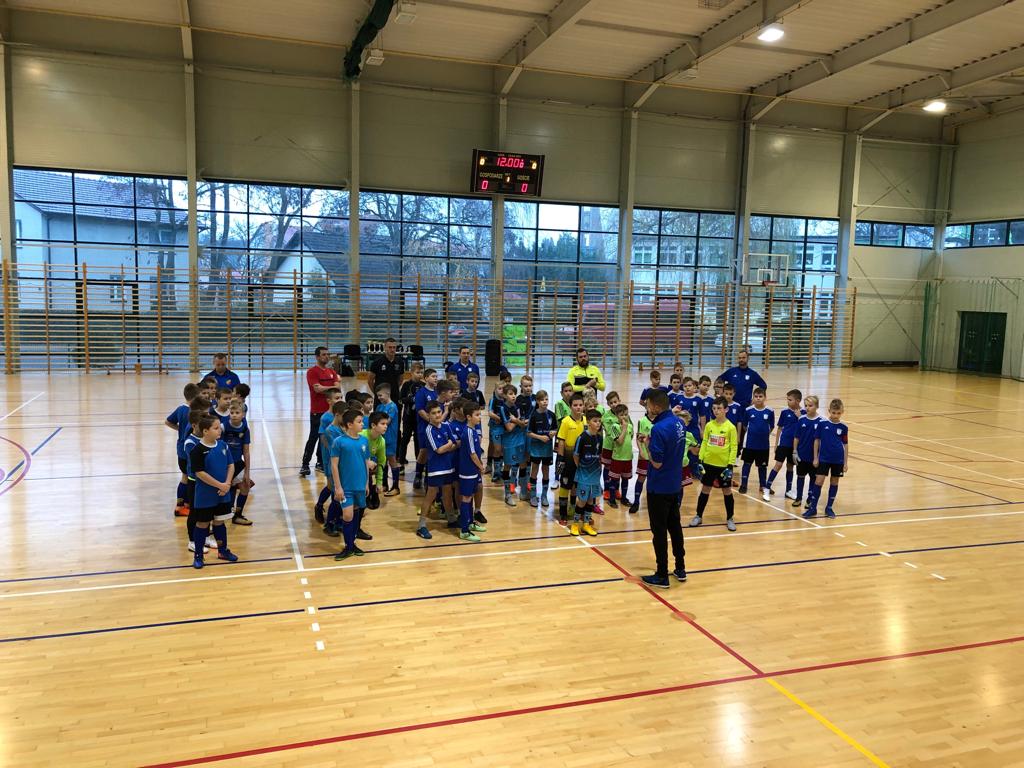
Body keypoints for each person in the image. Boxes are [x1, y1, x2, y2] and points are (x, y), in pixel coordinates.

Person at [640, 390, 689, 589]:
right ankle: (680, 568)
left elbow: (657, 463)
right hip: (674, 484)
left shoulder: (658, 429)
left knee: (659, 532)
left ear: (656, 406)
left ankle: (662, 574)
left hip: (659, 487)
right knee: (675, 527)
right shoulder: (679, 423)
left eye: (648, 405)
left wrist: (647, 447)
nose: (647, 408)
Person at [188, 414, 238, 569]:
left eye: (219, 427)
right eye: (215, 428)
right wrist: (220, 485)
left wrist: (227, 484)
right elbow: (200, 473)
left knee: (220, 522)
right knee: (202, 524)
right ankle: (198, 555)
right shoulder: (197, 450)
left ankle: (223, 551)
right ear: (205, 431)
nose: (219, 430)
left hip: (222, 493)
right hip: (205, 496)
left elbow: (231, 465)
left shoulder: (223, 445)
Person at [690, 397, 739, 531]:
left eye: (719, 408)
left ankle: (730, 518)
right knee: (705, 490)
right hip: (708, 464)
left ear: (726, 410)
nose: (716, 411)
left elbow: (733, 447)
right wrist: (700, 460)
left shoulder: (731, 427)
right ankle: (698, 516)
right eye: (714, 408)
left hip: (724, 466)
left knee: (727, 491)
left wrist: (730, 465)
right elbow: (705, 442)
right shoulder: (709, 425)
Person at [330, 409, 373, 560]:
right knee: (347, 515)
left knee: (355, 515)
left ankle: (351, 544)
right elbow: (334, 465)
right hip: (346, 488)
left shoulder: (364, 441)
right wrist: (338, 487)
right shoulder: (339, 442)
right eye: (359, 422)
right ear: (349, 424)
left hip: (360, 486)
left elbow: (366, 463)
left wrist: (366, 483)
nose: (362, 424)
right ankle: (348, 547)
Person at [301, 346, 342, 477]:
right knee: (313, 437)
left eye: (327, 354)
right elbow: (317, 389)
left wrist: (327, 387)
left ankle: (320, 462)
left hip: (330, 412)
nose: (326, 357)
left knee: (325, 437)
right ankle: (305, 464)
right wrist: (332, 387)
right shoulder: (312, 372)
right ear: (317, 357)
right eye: (324, 354)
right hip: (317, 411)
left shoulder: (331, 372)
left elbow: (338, 388)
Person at [418, 401, 457, 540]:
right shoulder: (429, 430)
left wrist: (449, 445)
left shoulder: (446, 425)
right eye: (433, 413)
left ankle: (451, 519)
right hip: (436, 469)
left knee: (447, 493)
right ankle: (421, 525)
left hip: (448, 467)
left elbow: (455, 444)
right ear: (428, 415)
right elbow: (439, 450)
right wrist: (449, 444)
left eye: (439, 412)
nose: (437, 415)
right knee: (431, 496)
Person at [806, 398, 848, 519]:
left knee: (834, 482)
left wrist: (845, 463)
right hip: (824, 459)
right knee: (818, 481)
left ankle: (829, 508)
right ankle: (813, 508)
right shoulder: (822, 423)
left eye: (838, 413)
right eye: (833, 412)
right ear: (829, 411)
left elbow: (845, 445)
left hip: (838, 460)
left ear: (842, 412)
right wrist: (815, 457)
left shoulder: (843, 427)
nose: (835, 415)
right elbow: (816, 440)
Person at [165, 382, 201, 517]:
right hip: (188, 451)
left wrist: (179, 429)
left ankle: (185, 504)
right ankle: (180, 506)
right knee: (187, 477)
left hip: (180, 448)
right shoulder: (193, 412)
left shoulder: (180, 409)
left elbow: (168, 421)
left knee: (185, 476)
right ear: (196, 397)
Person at [457, 403, 488, 542]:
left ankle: (470, 523)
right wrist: (481, 467)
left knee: (470, 497)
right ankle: (464, 531)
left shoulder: (473, 430)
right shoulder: (468, 432)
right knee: (466, 498)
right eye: (477, 415)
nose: (479, 417)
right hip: (467, 471)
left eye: (479, 414)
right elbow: (473, 454)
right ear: (468, 417)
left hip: (473, 470)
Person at [765, 389, 803, 501]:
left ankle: (788, 491)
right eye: (787, 399)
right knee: (778, 465)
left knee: (790, 467)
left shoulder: (803, 413)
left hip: (795, 446)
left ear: (798, 401)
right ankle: (767, 488)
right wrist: (776, 444)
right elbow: (779, 428)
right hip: (784, 444)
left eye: (790, 400)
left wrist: (800, 417)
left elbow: (804, 428)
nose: (788, 401)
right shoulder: (784, 412)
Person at [569, 410, 603, 536]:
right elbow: (576, 455)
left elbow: (599, 455)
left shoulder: (599, 438)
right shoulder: (582, 438)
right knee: (582, 501)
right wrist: (582, 468)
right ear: (588, 422)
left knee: (590, 501)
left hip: (595, 475)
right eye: (595, 421)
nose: (598, 423)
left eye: (599, 421)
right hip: (584, 476)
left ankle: (586, 524)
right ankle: (575, 524)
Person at [555, 392, 586, 526]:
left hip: (582, 459)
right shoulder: (566, 421)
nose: (578, 407)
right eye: (575, 405)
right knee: (565, 485)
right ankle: (562, 513)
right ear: (570, 406)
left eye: (580, 405)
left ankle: (573, 507)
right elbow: (561, 441)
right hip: (567, 459)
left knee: (576, 484)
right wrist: (561, 458)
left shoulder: (586, 421)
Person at [739, 387, 775, 498]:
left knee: (762, 466)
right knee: (747, 464)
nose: (758, 398)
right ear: (753, 398)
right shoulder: (748, 410)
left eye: (760, 396)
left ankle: (763, 485)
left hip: (763, 445)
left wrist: (763, 434)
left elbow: (771, 426)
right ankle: (744, 485)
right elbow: (745, 426)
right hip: (750, 444)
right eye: (756, 396)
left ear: (765, 397)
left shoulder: (770, 411)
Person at [223, 401, 253, 526]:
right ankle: (220, 516)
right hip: (224, 464)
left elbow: (246, 452)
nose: (234, 415)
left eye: (237, 412)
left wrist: (247, 472)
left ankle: (238, 515)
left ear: (243, 415)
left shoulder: (245, 429)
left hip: (237, 463)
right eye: (232, 412)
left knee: (245, 487)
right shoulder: (223, 427)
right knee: (225, 490)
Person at [527, 390, 558, 508]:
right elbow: (528, 433)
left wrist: (553, 433)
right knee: (534, 469)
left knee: (546, 470)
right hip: (536, 448)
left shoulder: (551, 415)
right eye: (542, 400)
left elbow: (555, 429)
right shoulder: (534, 415)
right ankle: (533, 495)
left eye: (546, 399)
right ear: (537, 402)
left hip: (547, 449)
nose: (545, 402)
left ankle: (544, 496)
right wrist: (540, 437)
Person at [791, 395, 823, 508]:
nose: (807, 408)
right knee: (800, 476)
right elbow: (796, 437)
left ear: (817, 406)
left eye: (810, 405)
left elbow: (821, 440)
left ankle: (809, 499)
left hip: (814, 457)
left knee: (813, 478)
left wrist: (818, 457)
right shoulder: (801, 419)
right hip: (802, 455)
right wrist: (794, 451)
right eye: (806, 406)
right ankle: (798, 497)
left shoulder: (821, 421)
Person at [498, 384, 526, 507]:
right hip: (509, 441)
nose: (513, 396)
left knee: (523, 463)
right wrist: (517, 420)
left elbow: (523, 424)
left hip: (520, 439)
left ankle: (523, 491)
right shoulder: (503, 409)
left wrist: (516, 420)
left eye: (514, 393)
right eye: (510, 394)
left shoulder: (517, 407)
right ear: (504, 396)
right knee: (508, 466)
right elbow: (509, 428)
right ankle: (507, 494)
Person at [413, 368, 440, 490]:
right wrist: (431, 420)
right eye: (433, 376)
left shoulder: (437, 392)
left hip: (436, 427)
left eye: (436, 376)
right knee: (423, 451)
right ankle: (418, 475)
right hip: (424, 427)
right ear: (426, 378)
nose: (436, 378)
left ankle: (429, 477)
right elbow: (420, 410)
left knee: (433, 451)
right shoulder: (421, 393)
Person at [375, 384, 401, 496]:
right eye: (378, 396)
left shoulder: (392, 407)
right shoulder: (379, 407)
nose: (379, 398)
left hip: (390, 438)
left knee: (392, 461)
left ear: (388, 393)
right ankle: (384, 484)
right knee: (382, 461)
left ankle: (396, 487)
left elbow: (386, 422)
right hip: (380, 438)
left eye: (380, 395)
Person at [606, 403, 634, 509]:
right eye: (621, 415)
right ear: (617, 415)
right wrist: (624, 429)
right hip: (617, 458)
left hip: (628, 458)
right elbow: (620, 441)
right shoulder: (614, 427)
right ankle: (612, 499)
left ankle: (624, 498)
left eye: (626, 414)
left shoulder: (630, 426)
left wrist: (626, 428)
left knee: (625, 479)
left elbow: (630, 439)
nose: (624, 417)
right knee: (614, 480)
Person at [398, 362, 425, 469]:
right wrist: (411, 399)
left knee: (418, 440)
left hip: (419, 418)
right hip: (408, 417)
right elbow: (401, 399)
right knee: (405, 439)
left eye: (421, 372)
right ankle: (401, 460)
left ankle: (419, 462)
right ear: (412, 373)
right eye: (417, 372)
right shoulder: (406, 385)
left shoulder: (423, 385)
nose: (420, 375)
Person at [367, 337, 406, 407]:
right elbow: (370, 381)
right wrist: (377, 393)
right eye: (390, 347)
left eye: (394, 347)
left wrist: (394, 388)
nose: (392, 350)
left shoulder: (400, 362)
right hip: (380, 397)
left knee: (395, 413)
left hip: (394, 395)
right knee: (379, 414)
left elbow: (400, 379)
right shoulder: (376, 362)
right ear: (385, 348)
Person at [631, 408, 653, 515]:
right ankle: (636, 502)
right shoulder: (643, 421)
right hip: (644, 455)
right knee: (641, 478)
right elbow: (638, 437)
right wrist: (641, 451)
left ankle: (653, 503)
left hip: (656, 456)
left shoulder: (661, 421)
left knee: (653, 480)